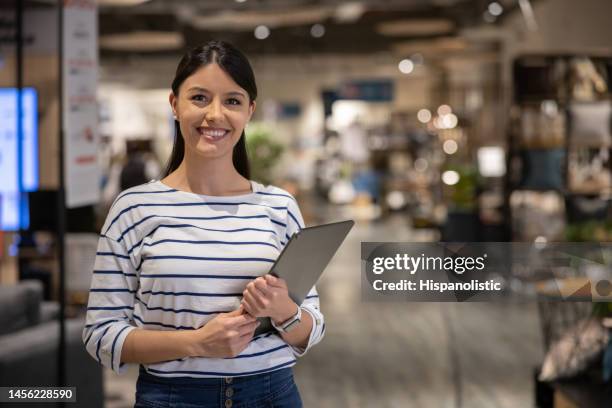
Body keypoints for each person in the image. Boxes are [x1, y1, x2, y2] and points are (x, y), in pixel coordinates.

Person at [82, 40, 324, 408]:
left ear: (249, 111)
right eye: (199, 98)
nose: (215, 115)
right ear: (174, 104)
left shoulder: (279, 205)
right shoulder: (134, 208)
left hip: (273, 394)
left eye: (232, 101)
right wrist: (195, 343)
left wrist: (284, 311)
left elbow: (313, 326)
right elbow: (101, 334)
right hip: (173, 397)